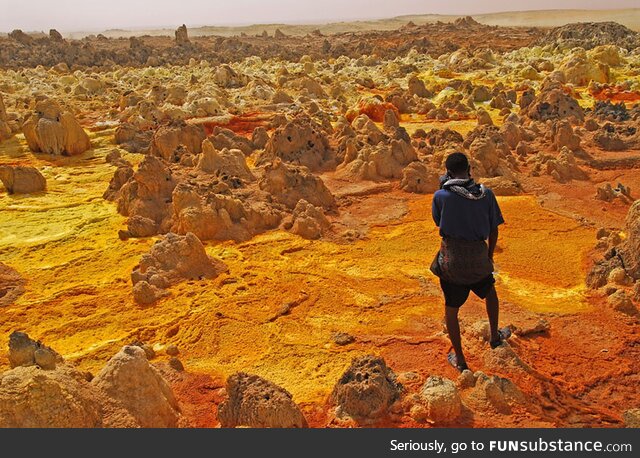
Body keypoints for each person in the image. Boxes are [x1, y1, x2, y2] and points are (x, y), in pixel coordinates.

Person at [431, 152, 510, 372]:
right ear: (470, 169)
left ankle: (461, 360)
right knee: (490, 291)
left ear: (448, 172)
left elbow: (438, 222)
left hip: (452, 261)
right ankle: (494, 337)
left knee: (451, 308)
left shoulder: (441, 196)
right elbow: (493, 229)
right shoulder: (487, 194)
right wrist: (489, 256)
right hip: (478, 258)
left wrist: (443, 189)